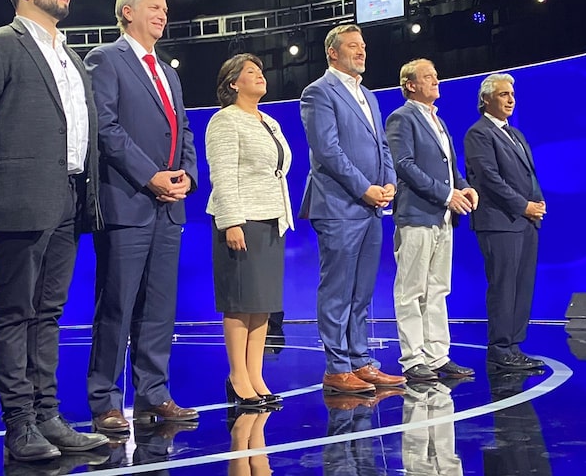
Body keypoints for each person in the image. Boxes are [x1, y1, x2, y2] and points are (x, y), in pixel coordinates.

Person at [0, 0, 108, 462]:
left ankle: (48, 415)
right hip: (21, 196)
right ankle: (19, 422)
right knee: (16, 310)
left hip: (69, 195)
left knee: (49, 312)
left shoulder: (71, 56)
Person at [85, 0, 199, 434]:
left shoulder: (168, 72)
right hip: (128, 202)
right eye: (154, 7)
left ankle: (154, 393)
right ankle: (105, 400)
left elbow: (184, 128)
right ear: (127, 12)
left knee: (158, 306)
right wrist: (149, 175)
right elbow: (106, 127)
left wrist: (187, 174)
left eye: (165, 8)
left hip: (170, 206)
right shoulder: (105, 60)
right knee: (116, 304)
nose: (163, 14)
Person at [299, 24, 406, 395]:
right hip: (339, 206)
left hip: (372, 207)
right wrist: (365, 188)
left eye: (363, 46)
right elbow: (328, 152)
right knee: (338, 289)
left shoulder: (370, 97)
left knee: (361, 291)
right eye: (353, 46)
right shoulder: (318, 93)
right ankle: (337, 367)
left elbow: (383, 147)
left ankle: (360, 360)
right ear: (333, 52)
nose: (361, 52)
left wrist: (389, 182)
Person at [205, 53, 293, 408]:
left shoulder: (269, 122)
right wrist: (231, 221)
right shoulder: (225, 121)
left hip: (272, 220)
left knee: (262, 307)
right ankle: (238, 377)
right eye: (251, 72)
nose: (260, 76)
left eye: (261, 70)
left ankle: (255, 375)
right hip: (242, 220)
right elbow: (223, 175)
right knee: (240, 304)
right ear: (233, 83)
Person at [385, 59, 478, 382]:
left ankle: (438, 356)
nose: (436, 81)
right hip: (417, 216)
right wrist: (445, 194)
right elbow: (405, 165)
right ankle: (413, 359)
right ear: (410, 85)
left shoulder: (438, 121)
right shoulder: (401, 118)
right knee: (411, 290)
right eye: (428, 77)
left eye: (436, 75)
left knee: (438, 288)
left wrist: (464, 188)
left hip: (443, 216)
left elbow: (449, 166)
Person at [463, 73, 546, 372]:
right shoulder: (479, 133)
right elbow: (489, 179)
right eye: (503, 94)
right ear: (486, 99)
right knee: (503, 287)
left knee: (522, 286)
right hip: (500, 222)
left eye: (511, 94)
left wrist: (537, 202)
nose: (511, 99)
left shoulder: (517, 134)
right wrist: (524, 206)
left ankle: (514, 346)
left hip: (526, 222)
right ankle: (499, 349)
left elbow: (528, 176)